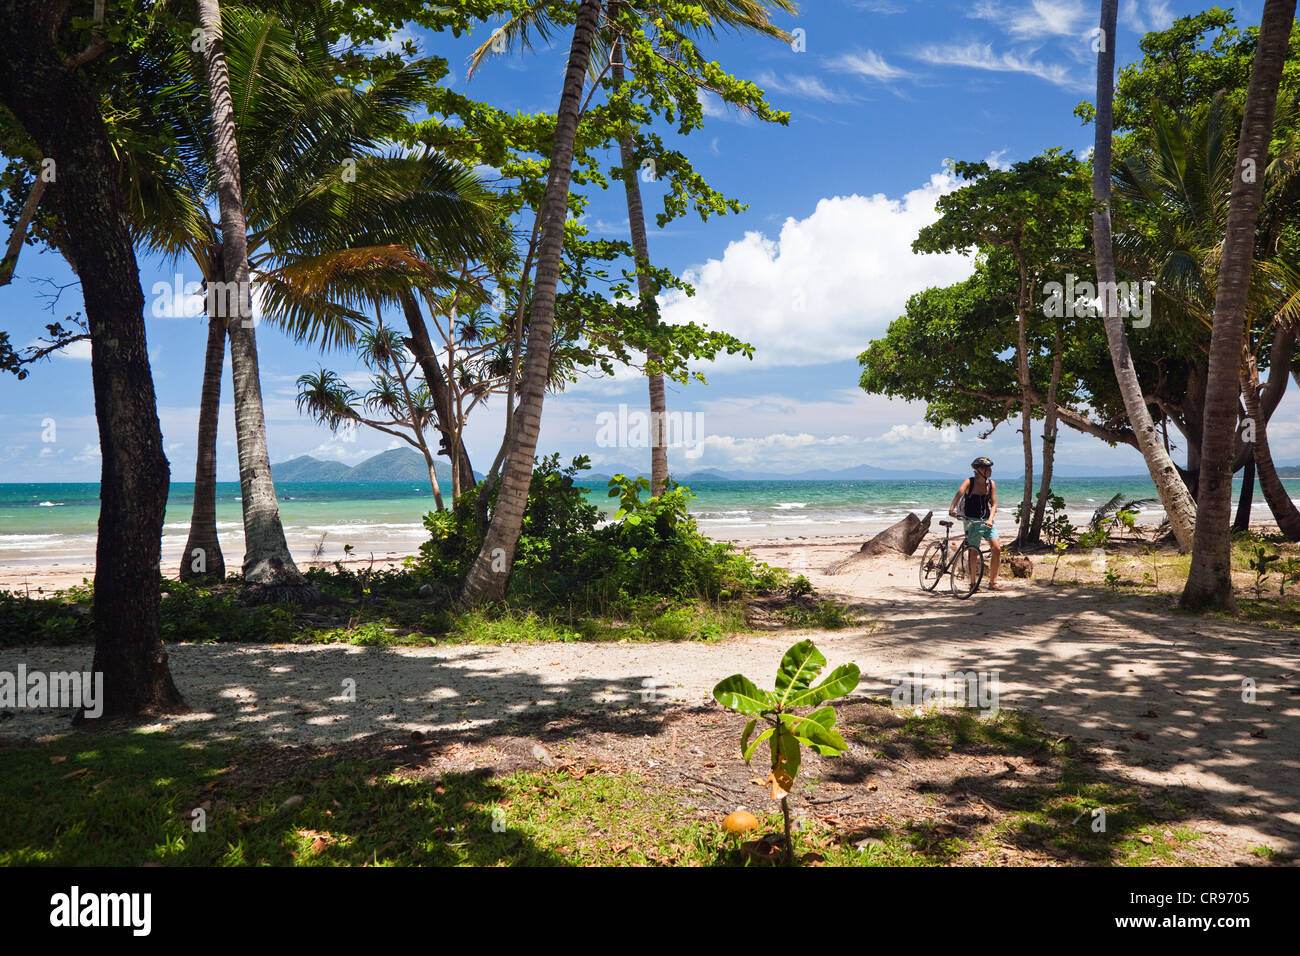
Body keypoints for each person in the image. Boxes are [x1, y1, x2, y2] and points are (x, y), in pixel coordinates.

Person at [948, 456, 1002, 591]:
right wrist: (952, 508)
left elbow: (994, 504)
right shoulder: (969, 482)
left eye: (990, 468)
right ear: (978, 470)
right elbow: (959, 493)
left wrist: (990, 519)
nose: (990, 471)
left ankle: (993, 582)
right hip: (971, 520)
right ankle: (972, 584)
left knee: (997, 548)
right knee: (973, 551)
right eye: (987, 468)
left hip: (986, 521)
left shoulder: (991, 484)